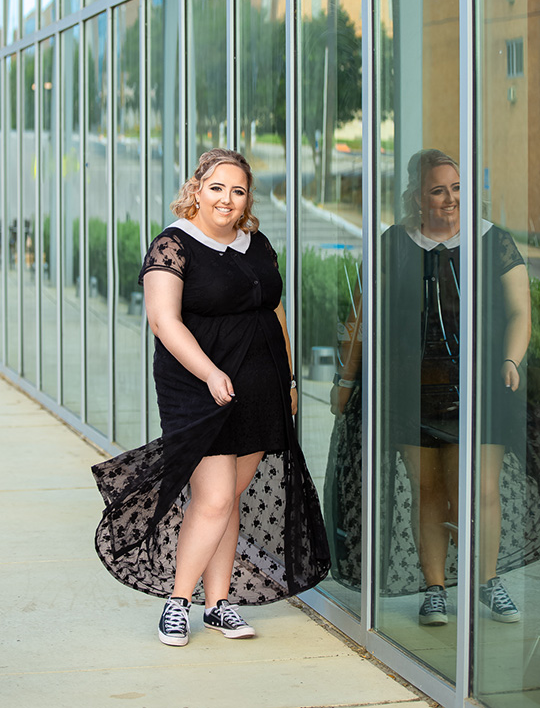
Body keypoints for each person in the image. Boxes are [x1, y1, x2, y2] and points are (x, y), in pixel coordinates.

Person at [92, 148, 330, 646]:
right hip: (198, 386)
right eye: (217, 187)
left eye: (237, 190)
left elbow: (276, 313)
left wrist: (287, 382)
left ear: (247, 200)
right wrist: (210, 373)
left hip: (261, 386)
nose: (226, 199)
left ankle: (219, 604)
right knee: (215, 496)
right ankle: (178, 603)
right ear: (196, 189)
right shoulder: (173, 246)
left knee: (227, 499)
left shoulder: (258, 244)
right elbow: (164, 321)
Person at [330, 149, 532, 624]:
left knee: (480, 490)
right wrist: (346, 379)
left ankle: (486, 581)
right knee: (429, 491)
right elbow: (362, 317)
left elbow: (522, 310)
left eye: (457, 188)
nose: (450, 198)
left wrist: (510, 359)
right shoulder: (394, 243)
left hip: (480, 387)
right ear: (418, 197)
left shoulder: (492, 240)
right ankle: (435, 588)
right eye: (438, 190)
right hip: (409, 389)